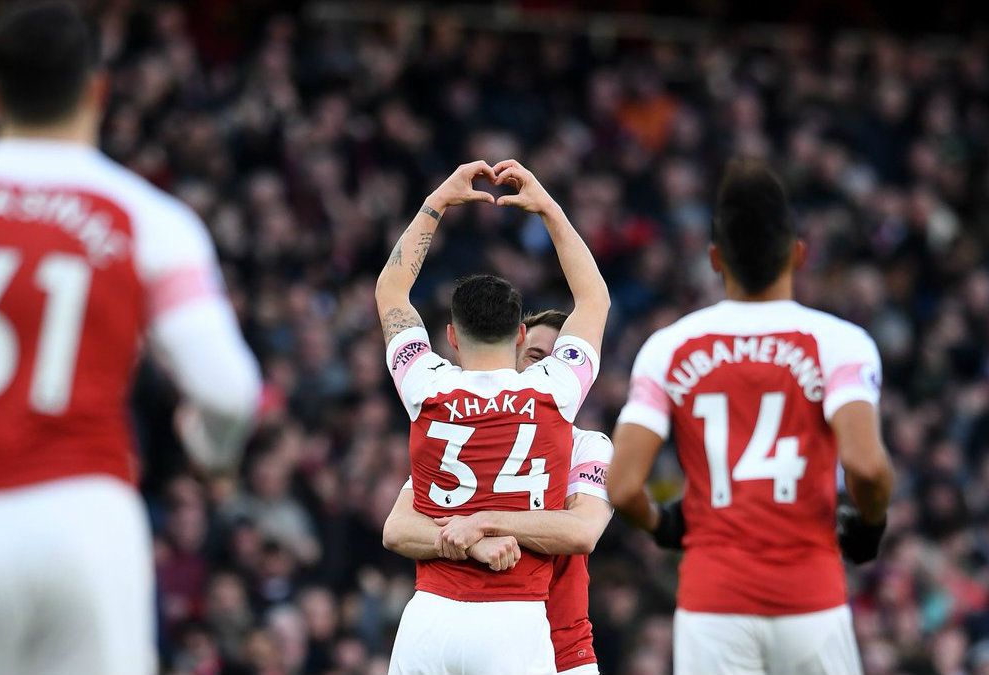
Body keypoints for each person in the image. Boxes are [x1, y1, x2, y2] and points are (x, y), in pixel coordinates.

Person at [0, 3, 262, 674]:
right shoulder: (149, 217)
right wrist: (212, 451)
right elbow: (230, 390)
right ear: (97, 91)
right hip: (86, 519)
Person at [607, 158, 894, 675]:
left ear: (716, 259)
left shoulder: (668, 348)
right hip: (811, 596)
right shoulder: (840, 343)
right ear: (798, 253)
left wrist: (662, 524)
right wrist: (869, 524)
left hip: (712, 603)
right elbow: (868, 468)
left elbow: (624, 485)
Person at [376, 159, 609, 675]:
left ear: (452, 337)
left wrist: (437, 201)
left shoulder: (425, 384)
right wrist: (548, 209)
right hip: (512, 619)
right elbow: (593, 297)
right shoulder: (554, 391)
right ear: (523, 336)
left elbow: (391, 290)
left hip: (428, 620)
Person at [382, 308, 614, 675]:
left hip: (565, 650)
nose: (546, 371)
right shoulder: (461, 443)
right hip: (468, 627)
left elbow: (583, 531)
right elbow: (398, 528)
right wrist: (473, 541)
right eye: (537, 358)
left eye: (559, 362)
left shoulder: (589, 447)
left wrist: (483, 521)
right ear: (514, 351)